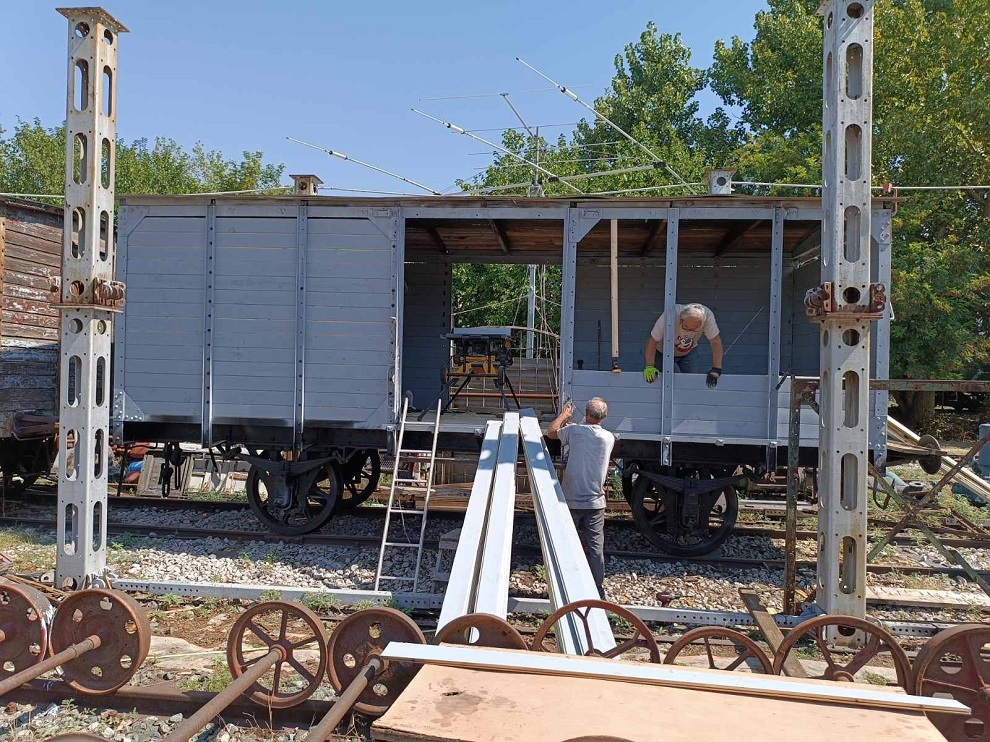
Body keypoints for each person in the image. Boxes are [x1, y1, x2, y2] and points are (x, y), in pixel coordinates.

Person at [546, 397, 615, 599]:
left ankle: (566, 585)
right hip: (596, 503)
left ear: (586, 414)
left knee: (566, 544)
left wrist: (564, 415)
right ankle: (597, 589)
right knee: (595, 548)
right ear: (604, 417)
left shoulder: (574, 431)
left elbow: (551, 432)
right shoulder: (609, 438)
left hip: (570, 500)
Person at [643, 302, 724, 388]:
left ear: (702, 324)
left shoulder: (707, 317)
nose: (688, 332)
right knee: (655, 380)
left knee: (692, 382)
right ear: (681, 319)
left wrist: (716, 369)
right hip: (662, 351)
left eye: (693, 329)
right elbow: (652, 341)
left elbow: (715, 342)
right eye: (686, 327)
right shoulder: (671, 314)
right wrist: (649, 366)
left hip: (689, 352)